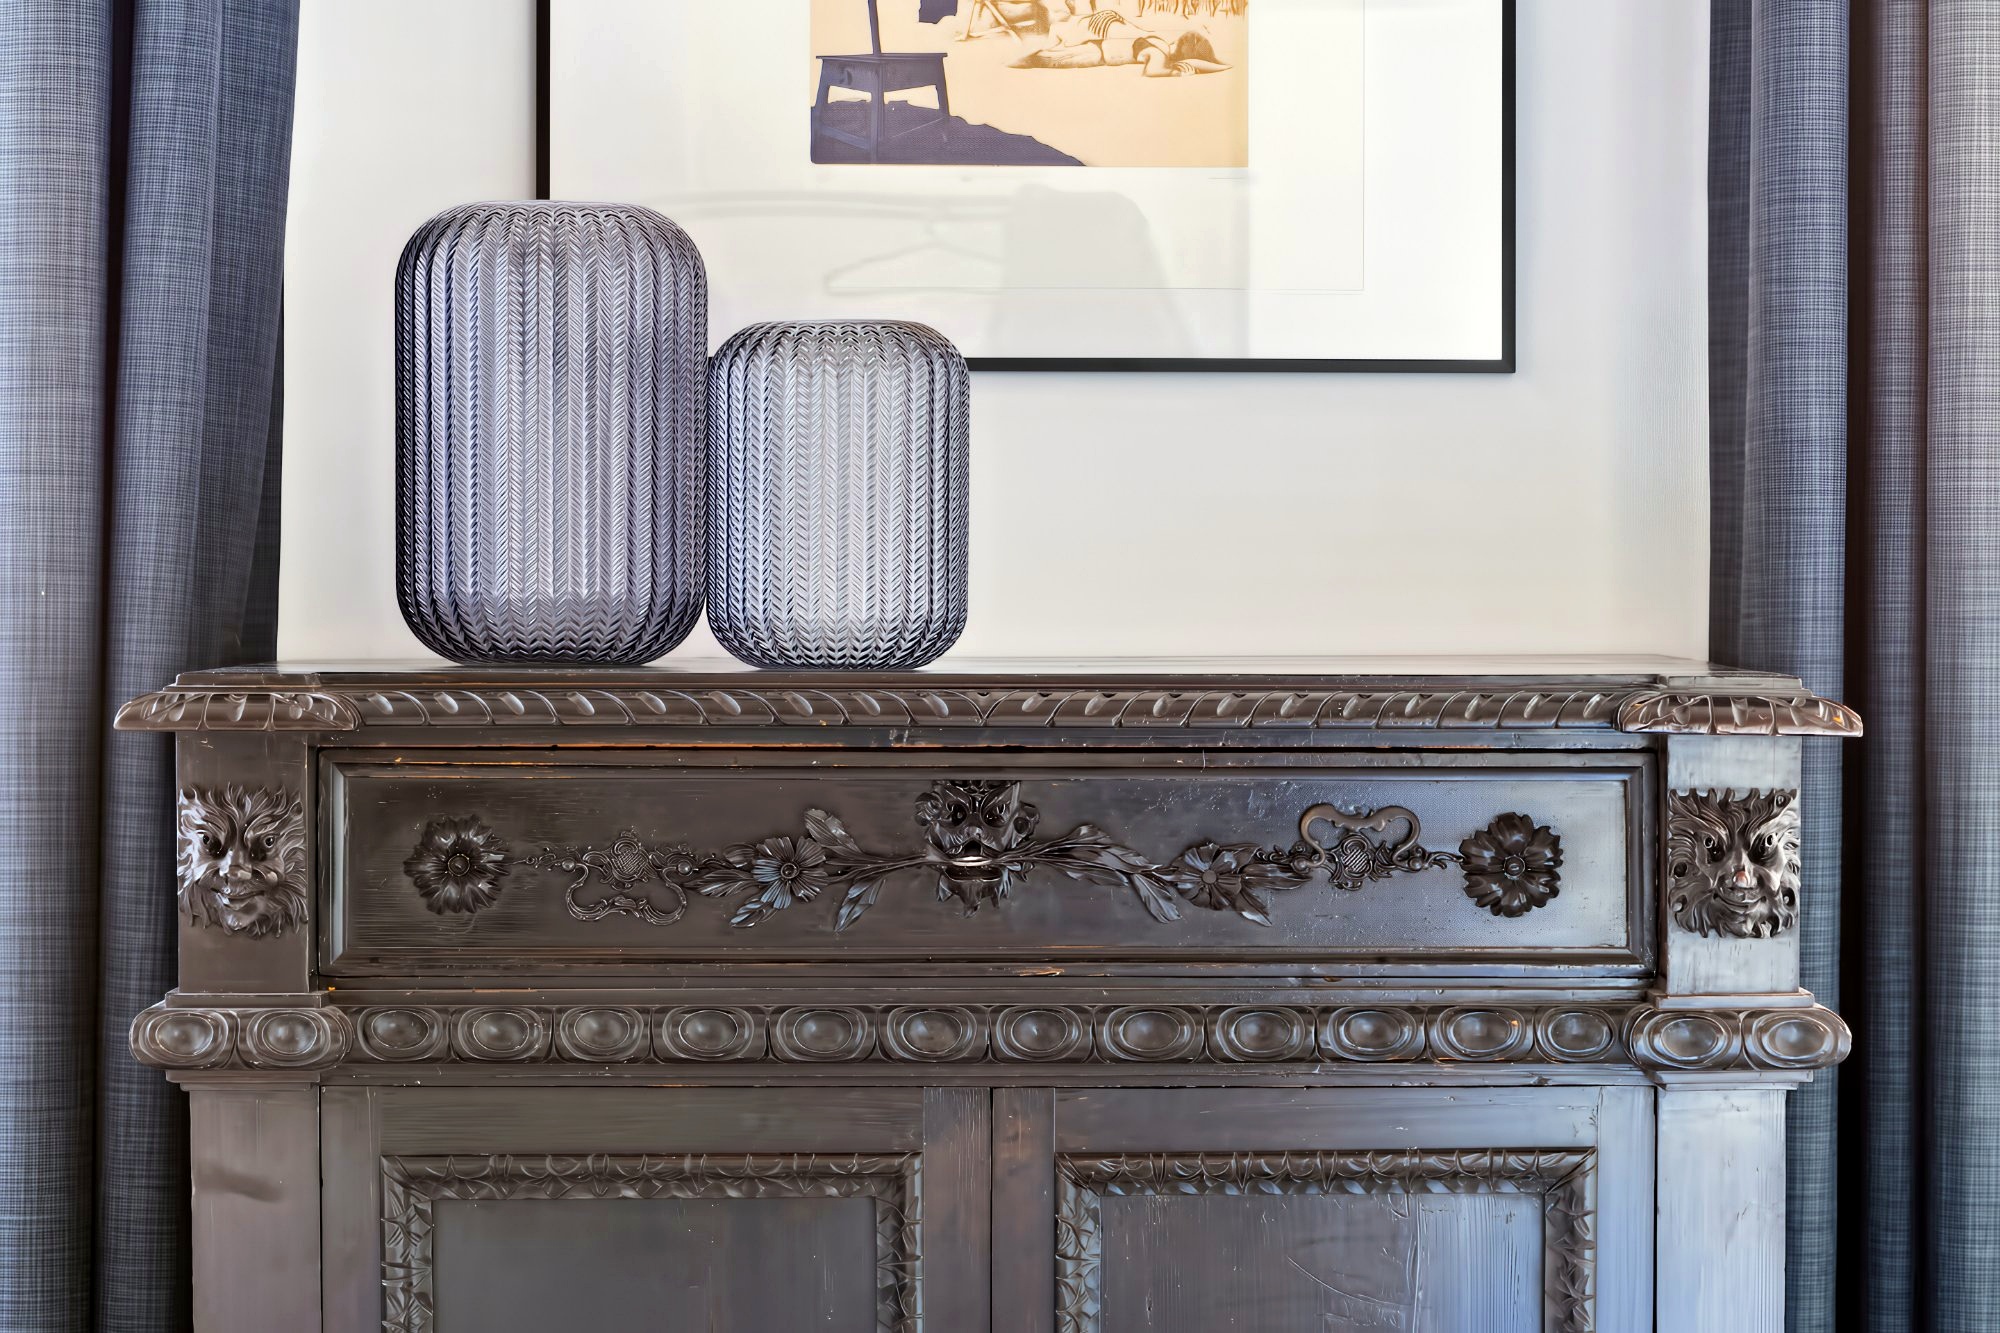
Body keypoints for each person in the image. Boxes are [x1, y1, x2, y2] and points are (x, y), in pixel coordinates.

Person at [1010, 4, 1231, 76]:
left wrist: (1219, 66)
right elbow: (1152, 72)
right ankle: (1014, 63)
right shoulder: (1158, 53)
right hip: (1096, 54)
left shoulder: (1159, 41)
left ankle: (1017, 61)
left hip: (1096, 49)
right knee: (1047, 61)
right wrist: (1176, 72)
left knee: (1046, 58)